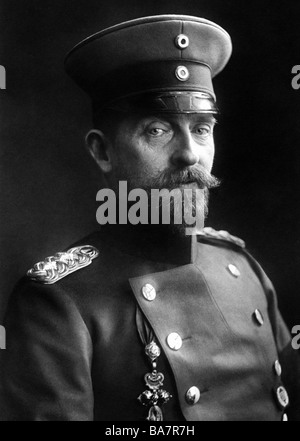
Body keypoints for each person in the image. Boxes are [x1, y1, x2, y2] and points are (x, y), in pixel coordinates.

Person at [0, 14, 299, 422]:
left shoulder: (243, 268)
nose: (190, 154)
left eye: (202, 128)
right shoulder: (58, 303)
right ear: (103, 152)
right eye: (158, 130)